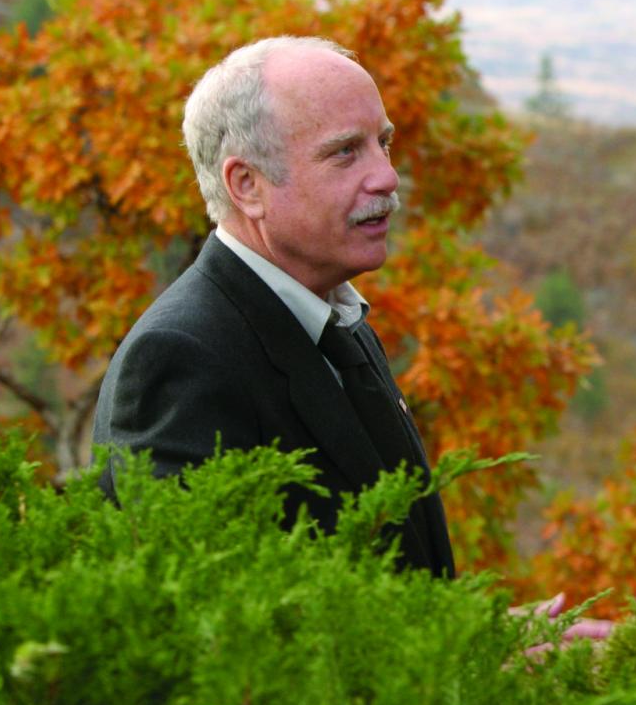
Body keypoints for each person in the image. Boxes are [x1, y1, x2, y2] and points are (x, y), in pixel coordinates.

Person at [94, 36, 454, 572]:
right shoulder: (180, 360)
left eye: (383, 143)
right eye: (345, 152)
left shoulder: (336, 322)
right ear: (247, 185)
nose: (386, 176)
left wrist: (485, 623)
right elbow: (212, 608)